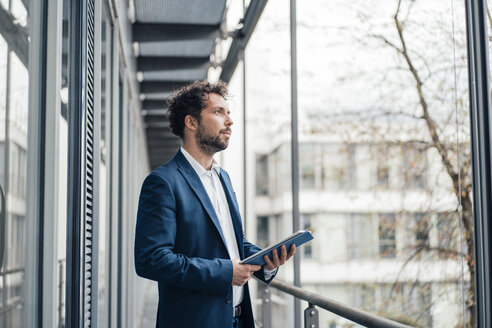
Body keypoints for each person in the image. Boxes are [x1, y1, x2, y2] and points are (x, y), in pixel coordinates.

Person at [134, 81, 295, 328]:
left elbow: (233, 242)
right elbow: (151, 260)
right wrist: (224, 272)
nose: (229, 121)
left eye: (228, 113)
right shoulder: (163, 182)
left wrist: (266, 261)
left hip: (238, 320)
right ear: (191, 122)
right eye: (219, 112)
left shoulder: (223, 177)